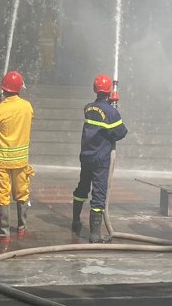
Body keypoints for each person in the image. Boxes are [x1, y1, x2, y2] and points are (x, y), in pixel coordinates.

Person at [71, 74, 127, 243]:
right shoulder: (111, 112)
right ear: (110, 91)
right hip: (100, 159)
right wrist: (114, 107)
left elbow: (99, 115)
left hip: (86, 155)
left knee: (82, 188)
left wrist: (110, 105)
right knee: (98, 193)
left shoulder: (88, 108)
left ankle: (75, 221)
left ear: (95, 89)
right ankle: (95, 233)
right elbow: (120, 133)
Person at [0, 70, 35, 242]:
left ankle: (4, 230)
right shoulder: (27, 106)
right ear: (19, 89)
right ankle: (21, 227)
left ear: (3, 89)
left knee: (2, 194)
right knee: (22, 192)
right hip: (21, 160)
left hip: (1, 160)